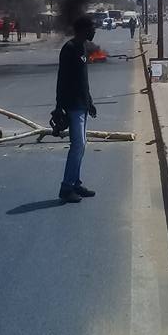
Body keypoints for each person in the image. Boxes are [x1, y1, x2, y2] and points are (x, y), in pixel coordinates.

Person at [55, 15, 98, 203]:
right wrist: (59, 107)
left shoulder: (82, 48)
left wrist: (90, 101)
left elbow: (83, 80)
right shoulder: (69, 49)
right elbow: (62, 79)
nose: (94, 30)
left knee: (82, 146)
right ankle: (66, 187)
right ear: (83, 29)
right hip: (72, 106)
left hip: (82, 104)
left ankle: (76, 183)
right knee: (77, 145)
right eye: (92, 28)